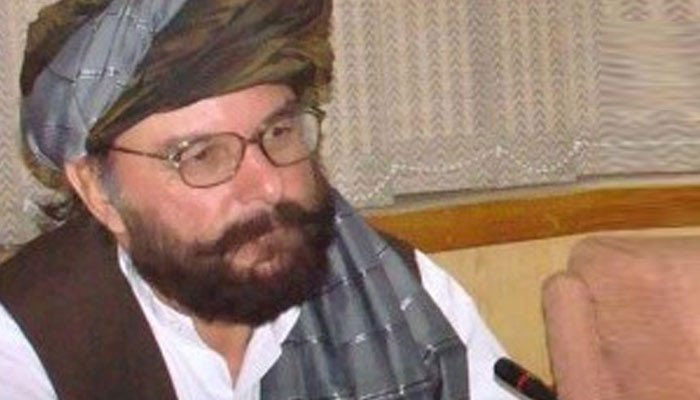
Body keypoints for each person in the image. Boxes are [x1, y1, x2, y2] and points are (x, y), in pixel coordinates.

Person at [0, 1, 517, 399]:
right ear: (97, 190)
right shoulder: (26, 344)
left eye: (279, 133)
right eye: (201, 156)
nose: (268, 187)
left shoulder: (402, 293)